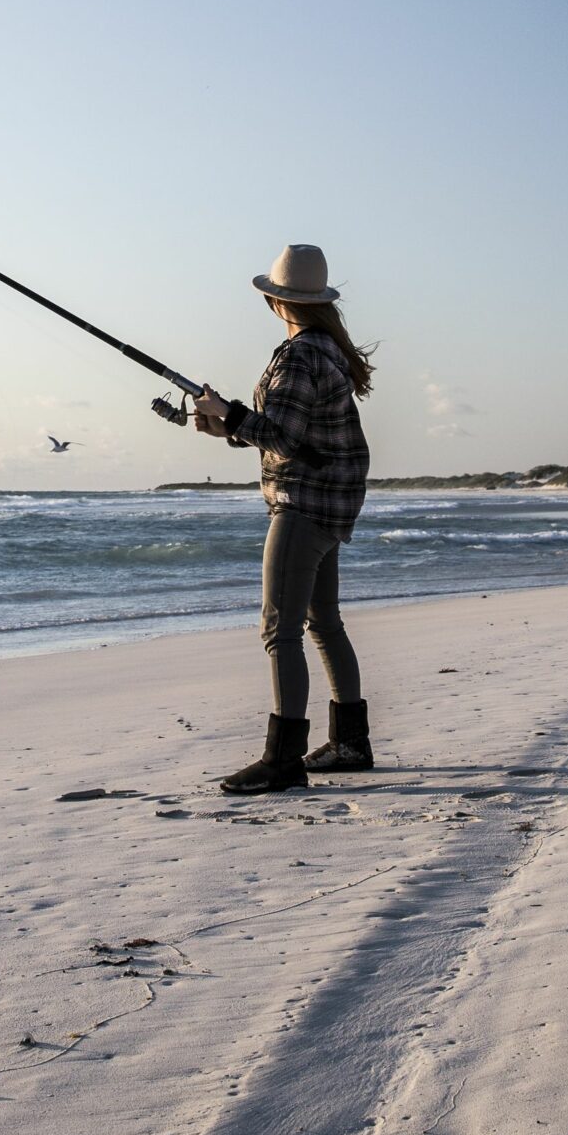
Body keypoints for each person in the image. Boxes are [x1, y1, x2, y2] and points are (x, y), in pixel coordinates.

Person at [192, 244, 376, 793]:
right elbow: (290, 435)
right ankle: (350, 743)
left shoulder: (299, 356)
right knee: (323, 621)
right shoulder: (325, 350)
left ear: (276, 301)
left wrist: (231, 416)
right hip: (330, 502)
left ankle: (283, 758)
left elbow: (283, 437)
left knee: (280, 629)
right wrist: (228, 424)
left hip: (303, 505)